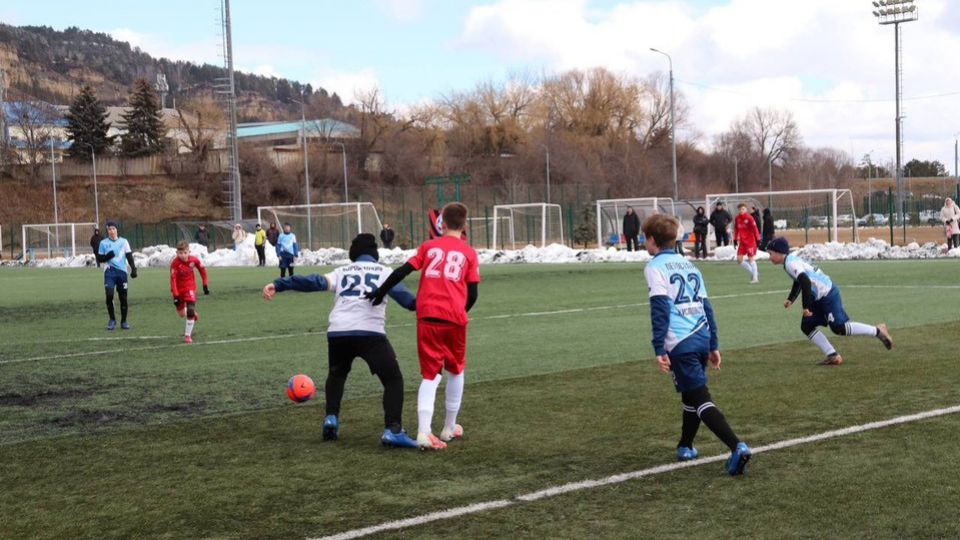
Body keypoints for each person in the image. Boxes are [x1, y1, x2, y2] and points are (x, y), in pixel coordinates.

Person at [262, 234, 420, 449]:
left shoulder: (342, 271)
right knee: (393, 380)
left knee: (337, 375)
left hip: (338, 332)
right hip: (370, 333)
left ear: (354, 253)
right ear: (374, 253)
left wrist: (280, 284)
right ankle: (393, 429)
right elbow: (408, 301)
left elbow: (314, 281)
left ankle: (331, 418)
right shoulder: (384, 272)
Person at [642, 213, 751, 475]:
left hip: (681, 342)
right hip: (701, 335)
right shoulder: (689, 265)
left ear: (652, 239)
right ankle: (685, 445)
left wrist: (659, 347)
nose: (644, 243)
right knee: (690, 393)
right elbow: (706, 306)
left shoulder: (655, 267)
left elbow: (660, 309)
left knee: (701, 397)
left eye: (645, 238)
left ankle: (737, 446)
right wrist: (713, 343)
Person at [366, 202, 480, 451]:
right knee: (456, 369)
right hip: (454, 318)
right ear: (464, 225)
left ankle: (424, 431)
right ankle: (449, 427)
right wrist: (461, 311)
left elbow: (401, 272)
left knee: (430, 374)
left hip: (426, 316)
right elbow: (473, 294)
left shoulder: (428, 247)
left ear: (442, 223)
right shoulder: (469, 253)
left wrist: (380, 292)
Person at [765, 237, 893, 365]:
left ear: (779, 252)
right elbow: (799, 280)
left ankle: (877, 331)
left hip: (827, 293)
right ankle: (832, 355)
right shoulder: (790, 260)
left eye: (770, 253)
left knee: (839, 327)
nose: (769, 257)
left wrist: (805, 306)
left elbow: (805, 281)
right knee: (807, 326)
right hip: (818, 295)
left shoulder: (790, 263)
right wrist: (791, 298)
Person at [94, 221, 137, 330]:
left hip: (122, 272)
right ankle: (112, 320)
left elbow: (129, 256)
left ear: (117, 230)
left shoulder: (124, 242)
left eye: (113, 229)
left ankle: (124, 321)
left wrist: (133, 269)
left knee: (123, 297)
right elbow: (100, 259)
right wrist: (107, 256)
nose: (112, 231)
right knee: (109, 295)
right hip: (109, 272)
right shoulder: (103, 243)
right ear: (107, 231)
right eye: (109, 229)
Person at [170, 241, 210, 344]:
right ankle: (191, 313)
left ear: (189, 252)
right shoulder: (175, 264)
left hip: (190, 288)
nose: (183, 255)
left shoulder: (194, 260)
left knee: (190, 310)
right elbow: (173, 280)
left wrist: (205, 284)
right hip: (178, 290)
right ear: (177, 253)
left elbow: (203, 270)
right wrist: (175, 295)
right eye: (180, 253)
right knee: (181, 314)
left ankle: (187, 335)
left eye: (185, 253)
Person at [733, 203, 761, 284]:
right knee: (739, 259)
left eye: (743, 209)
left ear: (746, 209)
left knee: (751, 259)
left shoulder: (749, 218)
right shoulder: (737, 218)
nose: (741, 210)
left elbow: (755, 228)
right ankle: (754, 273)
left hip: (750, 242)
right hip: (742, 242)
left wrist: (758, 239)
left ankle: (755, 278)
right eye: (740, 209)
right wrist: (735, 239)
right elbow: (736, 229)